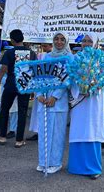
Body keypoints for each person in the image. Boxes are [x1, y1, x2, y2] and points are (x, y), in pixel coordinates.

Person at [68, 32, 104, 180]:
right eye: (84, 41)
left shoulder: (101, 59)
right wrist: (79, 86)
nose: (86, 44)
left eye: (89, 41)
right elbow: (70, 77)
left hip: (93, 102)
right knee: (79, 129)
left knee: (92, 130)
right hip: (79, 101)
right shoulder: (76, 58)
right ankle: (76, 166)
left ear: (95, 43)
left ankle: (93, 167)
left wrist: (96, 86)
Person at [0, 29, 37, 148]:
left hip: (11, 83)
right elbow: (34, 72)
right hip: (25, 85)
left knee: (4, 109)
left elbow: (2, 71)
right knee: (22, 112)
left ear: (12, 40)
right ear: (22, 38)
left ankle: (2, 137)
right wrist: (33, 89)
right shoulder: (32, 53)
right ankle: (19, 140)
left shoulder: (9, 53)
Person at [35, 32, 72, 174]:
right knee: (44, 132)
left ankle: (55, 162)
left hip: (58, 103)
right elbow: (38, 76)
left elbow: (67, 79)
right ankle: (43, 161)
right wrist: (38, 94)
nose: (59, 42)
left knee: (57, 134)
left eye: (62, 39)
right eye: (56, 39)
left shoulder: (69, 58)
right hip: (43, 101)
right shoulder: (46, 56)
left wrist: (55, 96)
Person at [27, 43, 53, 141]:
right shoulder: (41, 56)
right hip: (40, 88)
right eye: (43, 46)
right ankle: (38, 131)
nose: (44, 48)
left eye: (46, 46)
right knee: (39, 111)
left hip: (50, 88)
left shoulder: (56, 56)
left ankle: (46, 133)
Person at [0, 44, 17, 139]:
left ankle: (12, 130)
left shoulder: (15, 66)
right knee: (0, 110)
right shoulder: (1, 66)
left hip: (13, 91)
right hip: (3, 92)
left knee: (14, 111)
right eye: (4, 52)